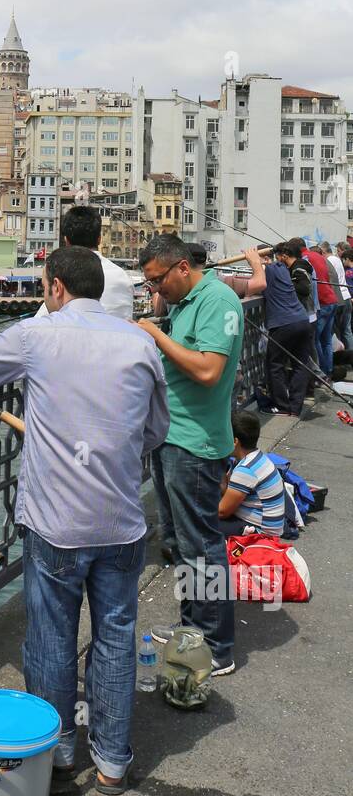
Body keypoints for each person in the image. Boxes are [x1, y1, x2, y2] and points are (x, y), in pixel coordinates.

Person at [0, 245, 169, 794]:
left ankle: (60, 755)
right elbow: (155, 431)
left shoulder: (37, 335)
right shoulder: (141, 345)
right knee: (116, 634)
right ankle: (114, 762)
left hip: (57, 525)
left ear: (54, 288)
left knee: (52, 639)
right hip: (121, 520)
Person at [137, 234, 244, 677]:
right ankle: (191, 626)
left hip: (195, 445)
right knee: (180, 543)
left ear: (183, 267)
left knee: (202, 545)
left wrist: (156, 336)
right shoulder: (184, 301)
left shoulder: (218, 300)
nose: (156, 291)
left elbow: (207, 369)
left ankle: (217, 645)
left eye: (159, 281)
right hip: (170, 435)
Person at [34, 205, 134, 320]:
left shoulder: (65, 274)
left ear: (66, 241)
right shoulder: (123, 277)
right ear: (99, 239)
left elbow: (40, 322)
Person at [256, 249, 314, 416]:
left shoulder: (267, 272)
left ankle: (281, 406)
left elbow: (254, 286)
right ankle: (295, 407)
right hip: (303, 320)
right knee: (300, 365)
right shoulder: (283, 269)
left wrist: (257, 264)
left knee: (274, 365)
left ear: (264, 259)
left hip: (283, 324)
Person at [218, 410, 286, 538]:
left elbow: (222, 512)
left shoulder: (246, 470)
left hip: (262, 534)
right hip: (267, 527)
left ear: (235, 441)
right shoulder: (256, 457)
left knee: (199, 525)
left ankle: (201, 559)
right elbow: (226, 491)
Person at [302, 243, 338, 377]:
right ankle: (328, 370)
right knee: (327, 340)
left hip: (323, 303)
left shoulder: (305, 258)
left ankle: (321, 374)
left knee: (315, 340)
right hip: (332, 300)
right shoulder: (319, 256)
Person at [325, 241, 353, 351]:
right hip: (347, 298)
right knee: (346, 329)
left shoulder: (330, 261)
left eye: (339, 250)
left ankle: (341, 355)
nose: (338, 253)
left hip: (339, 298)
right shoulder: (338, 261)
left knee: (336, 330)